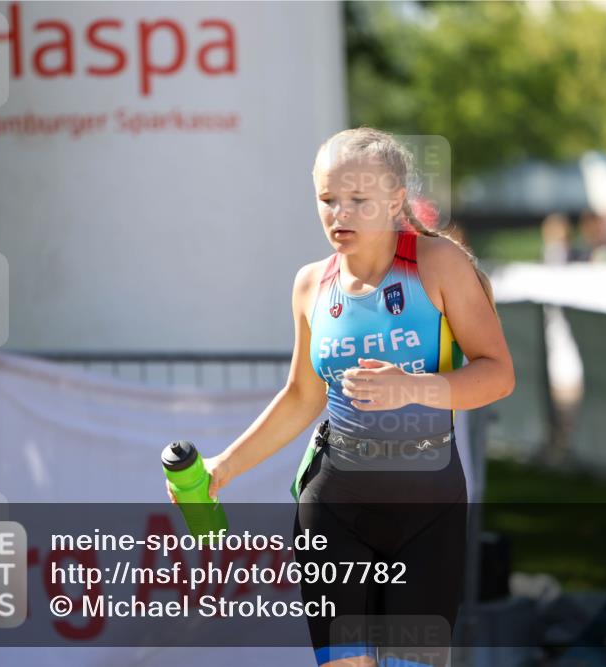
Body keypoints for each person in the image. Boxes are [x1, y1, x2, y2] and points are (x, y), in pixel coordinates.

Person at [168, 126, 515, 666]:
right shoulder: (311, 284)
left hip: (428, 508)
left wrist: (412, 387)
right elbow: (302, 396)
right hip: (334, 507)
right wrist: (221, 469)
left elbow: (497, 374)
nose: (339, 214)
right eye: (328, 200)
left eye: (358, 200)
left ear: (395, 199)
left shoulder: (437, 265)